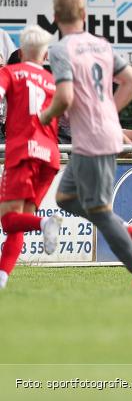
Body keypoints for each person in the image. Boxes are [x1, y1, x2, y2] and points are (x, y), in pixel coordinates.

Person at [39, 0, 132, 288]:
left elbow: (64, 97)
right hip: (91, 138)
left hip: (93, 140)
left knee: (100, 212)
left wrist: (42, 117)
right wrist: (108, 109)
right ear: (85, 16)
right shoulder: (102, 45)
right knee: (65, 198)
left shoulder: (60, 50)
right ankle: (127, 228)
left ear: (55, 19)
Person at [0, 26, 65, 289]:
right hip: (50, 158)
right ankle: (2, 278)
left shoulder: (10, 71)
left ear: (21, 50)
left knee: (8, 219)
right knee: (17, 223)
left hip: (24, 153)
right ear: (45, 54)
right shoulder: (52, 81)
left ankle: (45, 223)